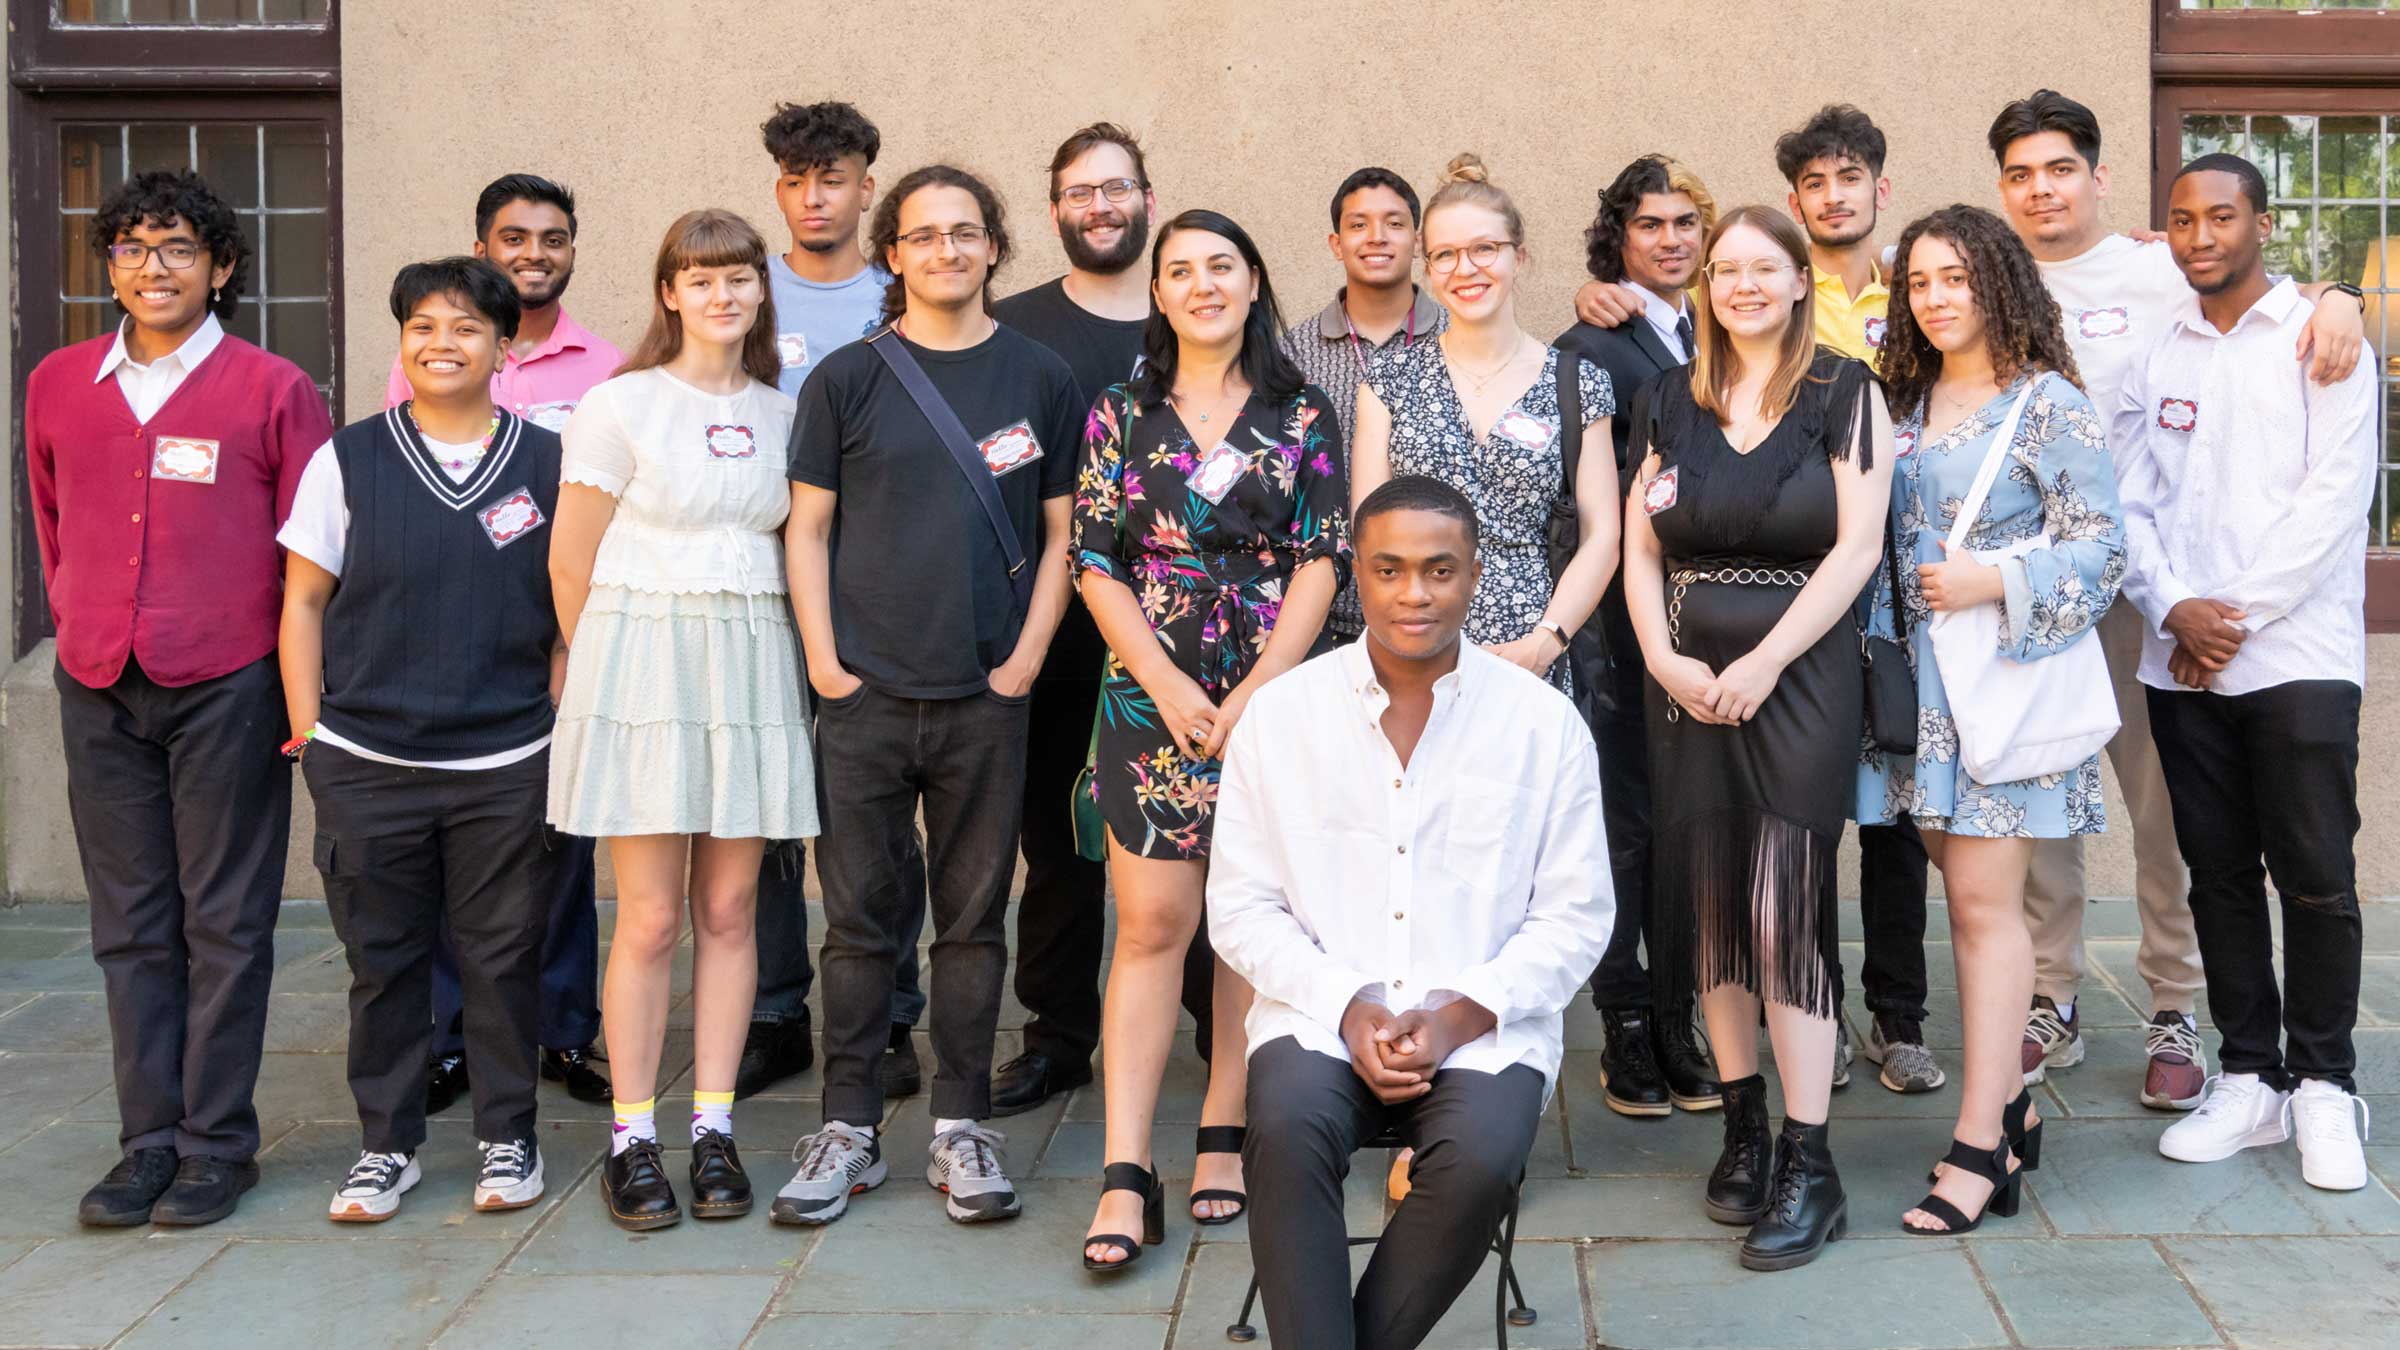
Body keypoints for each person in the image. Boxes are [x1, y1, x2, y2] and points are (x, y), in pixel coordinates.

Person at [1988, 90, 2365, 1108]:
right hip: (2029, 593)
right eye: (2021, 174)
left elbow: (2265, 290)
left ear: (2097, 176)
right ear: (2002, 189)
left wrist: (2342, 297)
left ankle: (2175, 1006)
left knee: (2168, 818)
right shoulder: (1986, 272)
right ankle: (2050, 999)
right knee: (2043, 807)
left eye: (2059, 168)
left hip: (2146, 594)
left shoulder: (2164, 263)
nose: (2041, 189)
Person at [1208, 475, 1612, 1350]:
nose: (1414, 594)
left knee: (1478, 1163)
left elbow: (1577, 917)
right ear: (1357, 573)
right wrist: (1352, 1005)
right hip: (1320, 1019)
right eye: (1389, 570)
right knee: (1281, 1131)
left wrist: (1456, 1016)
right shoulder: (1281, 717)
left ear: (1474, 574)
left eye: (1439, 569)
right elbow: (1240, 908)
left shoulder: (1544, 726)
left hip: (1486, 1023)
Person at [775, 165, 1081, 1227]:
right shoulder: (847, 380)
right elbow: (806, 528)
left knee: (971, 923)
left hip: (985, 695)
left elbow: (1060, 535)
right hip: (861, 694)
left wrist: (1028, 658)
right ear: (892, 253)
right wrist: (824, 661)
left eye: (965, 233)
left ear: (994, 246)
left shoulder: (1040, 376)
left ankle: (960, 1126)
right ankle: (849, 1126)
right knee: (860, 927)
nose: (946, 251)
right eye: (923, 235)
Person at [30, 170, 333, 1229]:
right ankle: (146, 1140)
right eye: (129, 249)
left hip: (228, 686)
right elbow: (53, 520)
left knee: (227, 919)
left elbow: (313, 557)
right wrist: (81, 622)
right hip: (99, 680)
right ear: (107, 265)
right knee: (130, 923)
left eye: (175, 250)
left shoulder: (273, 389)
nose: (151, 269)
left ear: (222, 268)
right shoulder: (62, 381)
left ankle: (215, 1144)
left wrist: (302, 702)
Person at [1073, 209, 1350, 1270]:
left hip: (1278, 693)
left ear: (1251, 282)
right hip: (1150, 697)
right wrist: (1168, 683)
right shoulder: (1119, 410)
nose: (1200, 285)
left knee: (1251, 918)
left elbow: (1324, 556)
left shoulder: (1301, 408)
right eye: (1178, 270)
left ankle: (1223, 1127)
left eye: (1219, 266)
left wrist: (1261, 691)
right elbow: (1094, 560)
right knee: (1151, 924)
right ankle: (1124, 1166)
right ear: (1160, 293)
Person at [1624, 206, 1893, 1270]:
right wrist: (1661, 658)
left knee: (1781, 908)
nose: (1740, 284)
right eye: (1724, 268)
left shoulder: (1843, 391)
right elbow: (1642, 552)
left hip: (1798, 679)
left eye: (1761, 268)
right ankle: (1743, 1130)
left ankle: (1810, 1159)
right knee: (1708, 905)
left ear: (1797, 283)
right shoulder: (1668, 396)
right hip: (1685, 684)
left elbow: (1857, 549)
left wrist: (1768, 659)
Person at [1858, 203, 2126, 1236]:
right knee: (1964, 899)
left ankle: (1977, 1147)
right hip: (1912, 692)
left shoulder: (2049, 403)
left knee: (1981, 910)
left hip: (1996, 684)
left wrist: (1990, 581)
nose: (1936, 298)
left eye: (1956, 278)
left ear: (2001, 282)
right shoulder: (1902, 400)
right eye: (1920, 282)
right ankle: (2009, 1112)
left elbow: (2103, 551)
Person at [549, 208, 818, 1230]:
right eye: (700, 278)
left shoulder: (784, 414)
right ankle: (631, 1135)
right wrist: (616, 685)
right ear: (669, 292)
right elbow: (571, 561)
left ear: (760, 291)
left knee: (731, 911)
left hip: (749, 667)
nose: (721, 295)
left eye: (740, 277)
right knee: (653, 915)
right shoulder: (620, 405)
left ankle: (711, 1127)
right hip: (645, 670)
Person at [2120, 155, 2378, 1192]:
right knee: (2216, 875)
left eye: (2221, 216)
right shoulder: (2156, 350)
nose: (2200, 236)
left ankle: (2323, 1085)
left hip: (2298, 657)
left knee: (2314, 877)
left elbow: (2335, 498)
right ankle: (2250, 1078)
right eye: (2181, 220)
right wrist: (2171, 606)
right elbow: (2128, 501)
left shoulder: (2322, 338)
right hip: (2178, 660)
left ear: (2262, 225)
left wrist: (2231, 620)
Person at [284, 257, 561, 1221]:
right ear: (402, 343)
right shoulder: (348, 457)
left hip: (505, 761)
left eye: (467, 328)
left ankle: (507, 1141)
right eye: (424, 327)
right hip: (368, 758)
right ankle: (386, 1146)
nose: (443, 344)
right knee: (384, 962)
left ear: (504, 346)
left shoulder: (547, 462)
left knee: (500, 956)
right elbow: (304, 600)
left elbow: (570, 613)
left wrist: (554, 727)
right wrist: (307, 731)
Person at [987, 123, 1213, 1118]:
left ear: (1148, 200)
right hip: (1060, 629)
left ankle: (1218, 1023)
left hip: (1192, 643)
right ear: (1055, 214)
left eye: (1117, 189)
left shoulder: (1195, 320)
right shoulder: (1016, 330)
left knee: (1206, 837)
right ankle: (1057, 1036)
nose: (1100, 206)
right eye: (1080, 193)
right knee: (1057, 840)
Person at [382, 174, 618, 1114]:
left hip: (556, 641)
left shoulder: (606, 366)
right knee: (450, 857)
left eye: (552, 238)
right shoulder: (432, 355)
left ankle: (562, 1031)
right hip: (447, 642)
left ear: (571, 250)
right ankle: (452, 1038)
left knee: (560, 848)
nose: (533, 253)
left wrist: (577, 643)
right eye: (513, 237)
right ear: (483, 247)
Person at [746, 99, 928, 1101]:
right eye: (796, 177)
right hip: (755, 592)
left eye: (834, 176)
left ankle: (890, 1014)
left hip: (874, 592)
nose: (814, 196)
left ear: (868, 185)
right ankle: (775, 1009)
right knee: (768, 811)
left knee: (880, 822)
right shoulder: (746, 295)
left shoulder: (896, 298)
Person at [1772, 106, 1943, 1097]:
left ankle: (1901, 1019)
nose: (1834, 196)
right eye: (1816, 183)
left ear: (1882, 186)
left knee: (1898, 815)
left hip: (1912, 587)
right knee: (1808, 817)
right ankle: (1819, 1016)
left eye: (1851, 178)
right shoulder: (1778, 293)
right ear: (1797, 202)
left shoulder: (1923, 287)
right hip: (1810, 581)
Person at [1553, 153, 1726, 1119]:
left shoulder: (1716, 329)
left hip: (1709, 623)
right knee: (1626, 828)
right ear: (1619, 239)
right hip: (1623, 628)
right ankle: (1624, 1018)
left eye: (1683, 225)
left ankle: (1678, 1013)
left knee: (1688, 827)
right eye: (1649, 225)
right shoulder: (1592, 347)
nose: (1669, 240)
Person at [1349, 153, 1620, 698]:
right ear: (1427, 270)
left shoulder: (1578, 382)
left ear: (1519, 257)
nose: (1465, 269)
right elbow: (1369, 532)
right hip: (1412, 645)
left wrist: (1545, 642)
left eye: (1484, 249)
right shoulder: (1388, 380)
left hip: (1532, 654)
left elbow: (1603, 536)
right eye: (1445, 255)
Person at [1281, 166, 1448, 643]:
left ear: (1418, 241)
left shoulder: (1457, 338)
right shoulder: (1291, 354)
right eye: (1358, 225)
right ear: (1336, 244)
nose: (1377, 237)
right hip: (1323, 612)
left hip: (1437, 607)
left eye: (1394, 223)